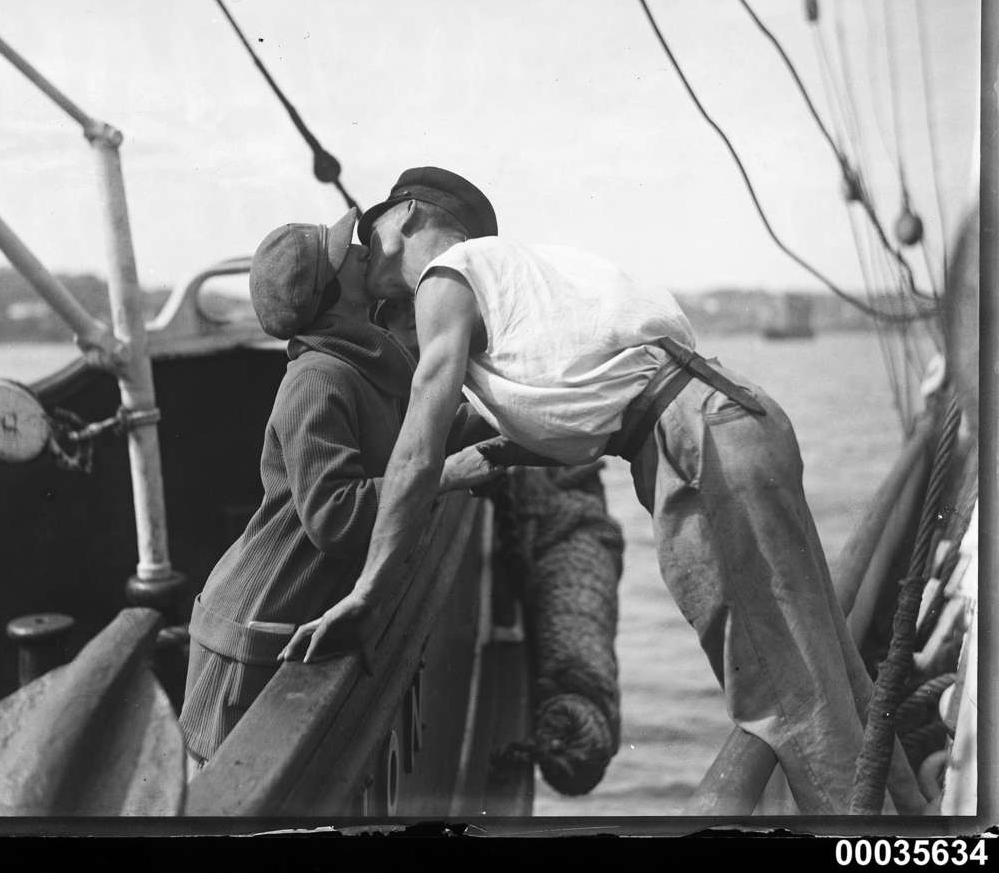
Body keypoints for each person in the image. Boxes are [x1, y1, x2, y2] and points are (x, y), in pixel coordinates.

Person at [281, 166, 926, 815]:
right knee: (831, 664)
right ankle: (915, 814)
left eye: (372, 231)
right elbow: (575, 409)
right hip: (731, 416)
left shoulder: (443, 280)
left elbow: (419, 444)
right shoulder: (518, 277)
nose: (365, 250)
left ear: (412, 216)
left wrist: (368, 590)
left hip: (698, 447)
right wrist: (488, 452)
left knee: (783, 694)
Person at [178, 207, 479, 770]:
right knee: (216, 788)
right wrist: (448, 476)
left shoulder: (365, 363)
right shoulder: (318, 379)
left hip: (285, 614)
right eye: (346, 253)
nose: (365, 249)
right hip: (253, 627)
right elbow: (334, 517)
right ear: (329, 294)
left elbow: (413, 442)